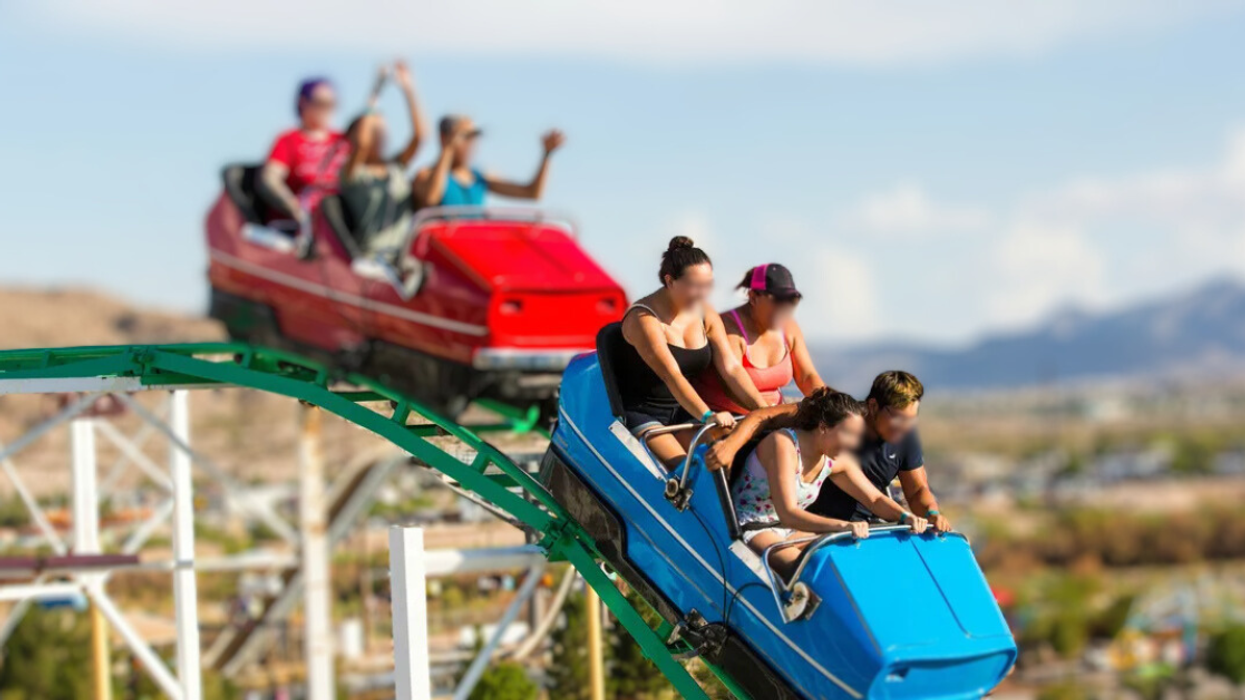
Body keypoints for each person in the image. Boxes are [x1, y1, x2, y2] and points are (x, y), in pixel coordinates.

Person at [706, 370, 953, 532]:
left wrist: (926, 514)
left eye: (911, 420)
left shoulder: (901, 438)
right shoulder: (838, 415)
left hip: (862, 529)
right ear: (873, 406)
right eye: (898, 418)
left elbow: (909, 492)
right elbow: (765, 416)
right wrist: (730, 446)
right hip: (813, 521)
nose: (905, 427)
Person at [733, 388, 928, 577]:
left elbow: (874, 499)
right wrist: (843, 526)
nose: (854, 444)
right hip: (755, 526)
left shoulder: (833, 459)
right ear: (823, 427)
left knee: (848, 562)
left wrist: (905, 516)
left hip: (789, 530)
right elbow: (788, 513)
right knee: (809, 572)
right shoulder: (783, 444)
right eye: (848, 434)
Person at [615, 237, 770, 467]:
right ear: (670, 281)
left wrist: (764, 411)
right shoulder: (643, 319)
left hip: (683, 411)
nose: (702, 294)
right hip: (645, 414)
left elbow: (731, 368)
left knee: (726, 456)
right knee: (686, 470)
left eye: (707, 285)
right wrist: (707, 416)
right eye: (694, 286)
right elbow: (672, 375)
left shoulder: (705, 313)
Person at [694, 263, 827, 414]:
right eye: (777, 300)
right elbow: (731, 383)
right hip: (728, 418)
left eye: (791, 300)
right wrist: (769, 414)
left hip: (770, 414)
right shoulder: (728, 328)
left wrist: (828, 405)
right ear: (753, 297)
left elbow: (806, 376)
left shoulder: (788, 327)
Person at [337, 60, 427, 254]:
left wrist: (409, 90)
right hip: (370, 257)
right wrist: (376, 90)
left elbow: (420, 137)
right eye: (374, 130)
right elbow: (362, 144)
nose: (380, 135)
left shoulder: (396, 166)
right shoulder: (352, 172)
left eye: (382, 129)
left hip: (403, 256)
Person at [412, 115, 565, 208]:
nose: (471, 144)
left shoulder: (479, 177)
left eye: (474, 138)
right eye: (465, 137)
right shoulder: (424, 175)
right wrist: (448, 149)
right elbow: (431, 198)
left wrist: (547, 154)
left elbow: (532, 193)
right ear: (444, 138)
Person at [259, 77, 346, 222]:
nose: (327, 109)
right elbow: (270, 179)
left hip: (339, 215)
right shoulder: (288, 140)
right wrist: (294, 207)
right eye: (321, 103)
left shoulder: (343, 140)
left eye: (332, 104)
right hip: (303, 221)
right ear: (303, 102)